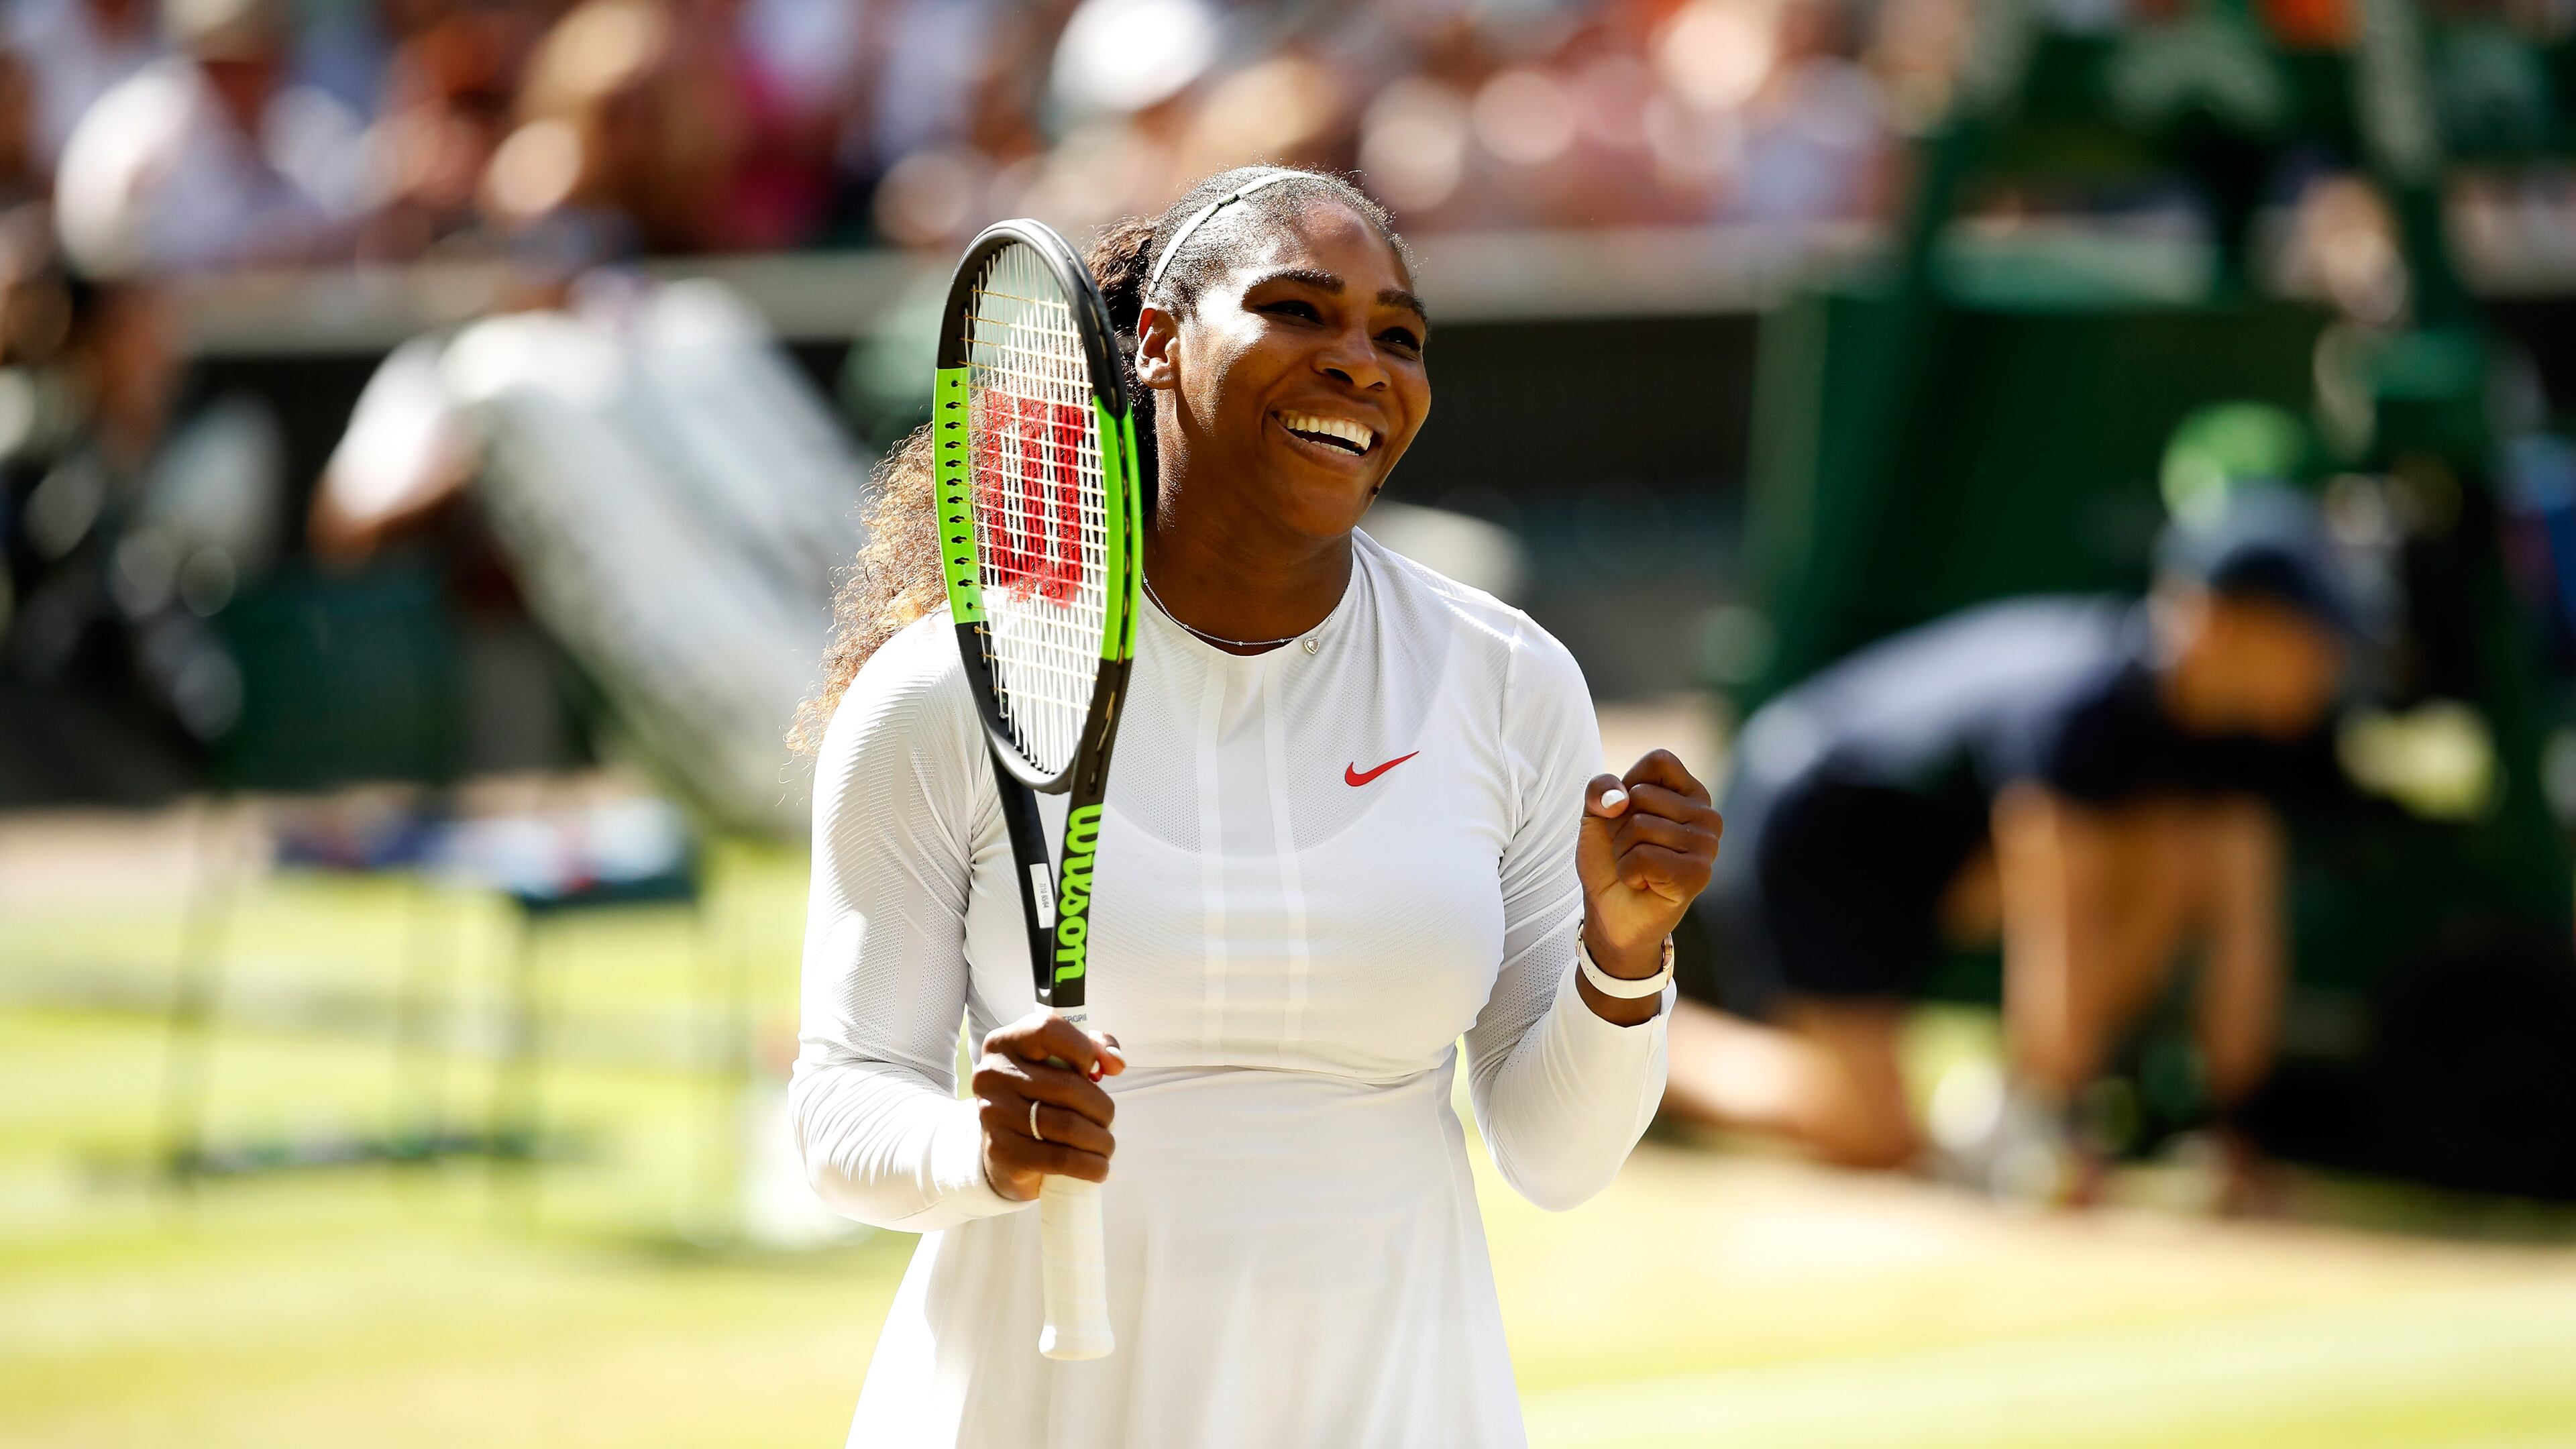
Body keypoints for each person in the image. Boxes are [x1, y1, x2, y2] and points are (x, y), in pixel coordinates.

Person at [791, 166, 1722, 1446]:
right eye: (1299, 310)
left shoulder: (1506, 681)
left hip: (1395, 1400)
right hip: (1038, 1403)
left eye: (1398, 335)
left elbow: (1559, 1162)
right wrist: (981, 1150)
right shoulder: (944, 691)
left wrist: (1624, 957)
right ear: (1159, 346)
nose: (1361, 363)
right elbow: (844, 1111)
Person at [1663, 486, 2353, 1192]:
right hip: (1819, 820)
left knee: (2175, 860)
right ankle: (1619, 1039)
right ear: (2218, 623)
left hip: (1933, 852)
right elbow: (2057, 929)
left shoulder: (2240, 746)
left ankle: (2012, 1110)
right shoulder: (2083, 711)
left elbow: (2245, 932)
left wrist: (2234, 1127)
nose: (2327, 665)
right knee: (1868, 1133)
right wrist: (2047, 1128)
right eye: (2307, 638)